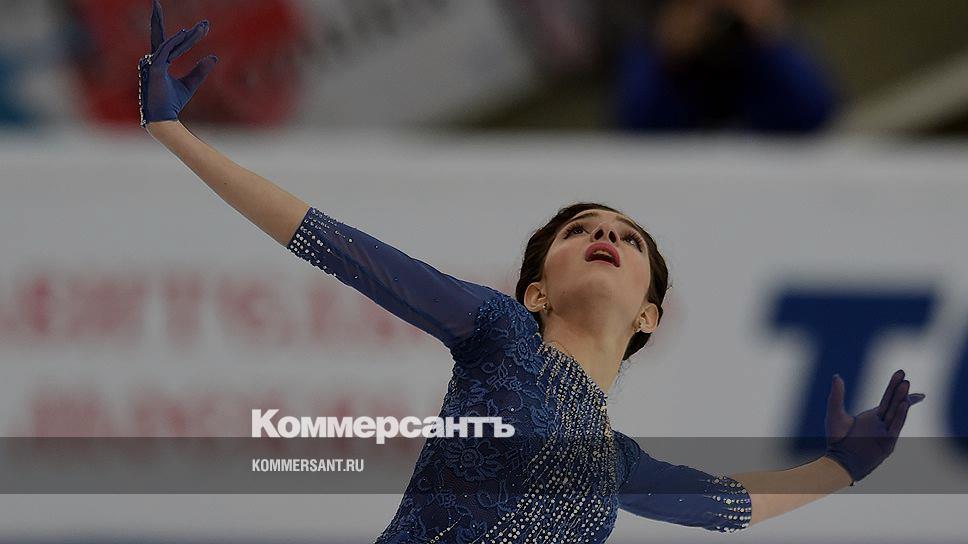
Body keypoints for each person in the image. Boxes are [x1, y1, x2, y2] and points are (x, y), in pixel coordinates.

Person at [139, 3, 924, 541]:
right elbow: (335, 246)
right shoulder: (498, 333)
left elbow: (733, 507)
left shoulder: (617, 465)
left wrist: (841, 468)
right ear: (536, 290)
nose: (605, 234)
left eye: (627, 238)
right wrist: (177, 134)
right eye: (581, 230)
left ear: (648, 316)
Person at [613, 0, 838, 133]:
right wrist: (667, 58)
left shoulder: (767, 50)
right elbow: (632, 122)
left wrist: (771, 42)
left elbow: (818, 114)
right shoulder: (658, 49)